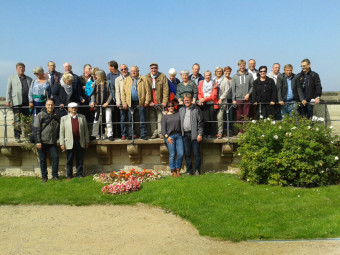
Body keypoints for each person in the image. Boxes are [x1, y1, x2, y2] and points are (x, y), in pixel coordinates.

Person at [60, 102, 89, 180]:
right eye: (72, 108)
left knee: (80, 158)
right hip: (69, 142)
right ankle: (69, 175)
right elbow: (61, 132)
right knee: (69, 159)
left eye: (75, 107)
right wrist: (62, 143)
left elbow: (86, 130)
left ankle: (79, 173)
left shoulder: (82, 117)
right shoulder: (64, 118)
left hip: (79, 141)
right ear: (69, 109)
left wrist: (87, 141)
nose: (74, 109)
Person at [33, 98, 60, 182]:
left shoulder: (56, 115)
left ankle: (55, 175)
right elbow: (36, 129)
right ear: (45, 105)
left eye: (52, 105)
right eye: (48, 105)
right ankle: (44, 176)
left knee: (55, 157)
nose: (50, 106)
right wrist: (38, 141)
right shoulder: (40, 115)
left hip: (52, 141)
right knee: (42, 159)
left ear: (54, 106)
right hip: (42, 141)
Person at [6, 62, 33, 142]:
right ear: (16, 69)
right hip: (16, 102)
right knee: (17, 120)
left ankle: (27, 136)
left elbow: (31, 90)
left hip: (26, 103)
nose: (21, 69)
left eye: (22, 67)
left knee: (27, 119)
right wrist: (8, 100)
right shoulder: (11, 77)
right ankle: (17, 136)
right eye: (19, 68)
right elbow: (8, 90)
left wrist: (32, 101)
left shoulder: (29, 79)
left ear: (24, 69)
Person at [121, 65, 150, 140]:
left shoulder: (143, 79)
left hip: (141, 102)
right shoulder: (127, 79)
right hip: (130, 102)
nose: (133, 72)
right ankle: (131, 134)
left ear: (138, 71)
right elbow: (123, 92)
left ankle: (143, 134)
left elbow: (148, 91)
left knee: (142, 119)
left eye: (135, 71)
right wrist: (124, 102)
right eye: (132, 71)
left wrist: (146, 101)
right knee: (131, 119)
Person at [179, 93, 204, 176]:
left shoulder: (196, 109)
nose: (186, 101)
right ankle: (189, 171)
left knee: (196, 153)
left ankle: (197, 170)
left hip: (194, 134)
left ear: (191, 100)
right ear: (183, 101)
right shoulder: (181, 110)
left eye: (188, 100)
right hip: (185, 135)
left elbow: (200, 122)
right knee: (187, 154)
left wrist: (200, 134)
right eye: (185, 100)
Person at [145, 63, 168, 139]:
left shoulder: (162, 76)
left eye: (155, 68)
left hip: (160, 102)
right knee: (152, 118)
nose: (153, 69)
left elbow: (166, 89)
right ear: (150, 69)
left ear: (157, 69)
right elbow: (145, 91)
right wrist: (149, 101)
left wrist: (164, 101)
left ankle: (160, 133)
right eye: (152, 68)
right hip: (151, 102)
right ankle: (154, 133)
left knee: (160, 117)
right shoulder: (146, 77)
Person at [89, 70, 114, 141]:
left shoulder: (108, 83)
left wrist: (107, 103)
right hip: (98, 104)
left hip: (107, 105)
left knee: (108, 119)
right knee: (96, 120)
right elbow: (93, 93)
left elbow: (111, 94)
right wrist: (92, 101)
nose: (95, 77)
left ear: (100, 75)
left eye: (96, 75)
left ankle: (110, 134)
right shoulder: (95, 84)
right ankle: (94, 134)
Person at [161, 102, 183, 178]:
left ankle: (178, 169)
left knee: (180, 153)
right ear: (167, 107)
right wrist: (167, 137)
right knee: (172, 154)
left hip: (179, 135)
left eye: (172, 106)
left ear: (174, 106)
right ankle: (173, 170)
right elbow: (163, 130)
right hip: (170, 136)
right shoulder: (165, 117)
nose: (171, 107)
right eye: (169, 106)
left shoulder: (178, 114)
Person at [197, 70, 219, 138]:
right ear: (204, 76)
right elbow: (199, 93)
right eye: (206, 75)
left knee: (211, 119)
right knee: (204, 119)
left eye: (209, 75)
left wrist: (205, 99)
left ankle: (210, 134)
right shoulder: (201, 82)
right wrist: (200, 99)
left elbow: (214, 95)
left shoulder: (214, 83)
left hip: (211, 103)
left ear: (211, 76)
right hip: (203, 104)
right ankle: (204, 133)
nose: (207, 76)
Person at [231, 59, 254, 124]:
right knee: (239, 116)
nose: (242, 67)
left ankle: (246, 132)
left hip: (247, 99)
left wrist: (248, 94)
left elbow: (252, 86)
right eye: (240, 66)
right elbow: (233, 89)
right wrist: (233, 99)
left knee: (246, 116)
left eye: (243, 65)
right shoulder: (234, 76)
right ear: (238, 66)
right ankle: (240, 132)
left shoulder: (249, 75)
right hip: (238, 99)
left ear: (245, 66)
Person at [217, 66, 233, 138]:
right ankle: (223, 131)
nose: (227, 73)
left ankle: (229, 131)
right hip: (223, 100)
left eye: (229, 71)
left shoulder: (232, 80)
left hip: (231, 99)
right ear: (224, 72)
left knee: (230, 116)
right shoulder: (222, 80)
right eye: (226, 71)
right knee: (222, 116)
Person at [115, 64, 130, 140]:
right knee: (123, 118)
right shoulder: (117, 79)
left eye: (125, 69)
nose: (124, 71)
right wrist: (118, 101)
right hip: (121, 101)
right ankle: (123, 134)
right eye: (122, 69)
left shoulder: (132, 77)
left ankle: (131, 133)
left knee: (131, 118)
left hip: (130, 101)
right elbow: (117, 92)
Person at [107, 60, 120, 138]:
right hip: (112, 99)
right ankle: (114, 134)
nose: (108, 68)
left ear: (113, 67)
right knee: (113, 118)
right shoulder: (109, 75)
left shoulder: (120, 74)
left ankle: (120, 134)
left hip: (120, 98)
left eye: (109, 66)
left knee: (120, 117)